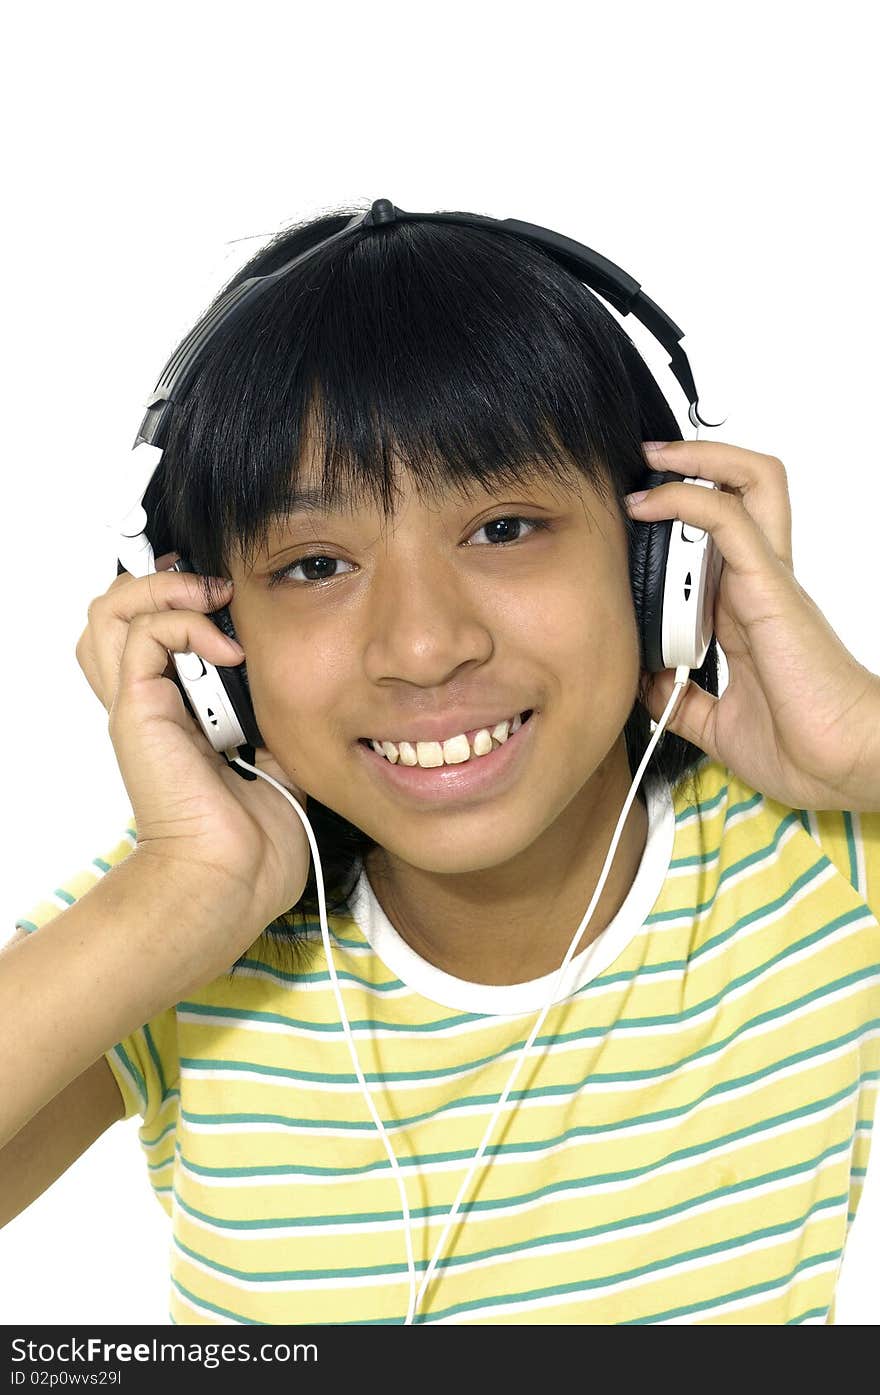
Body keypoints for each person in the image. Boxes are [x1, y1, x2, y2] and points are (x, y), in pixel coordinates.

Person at [2, 205, 879, 1326]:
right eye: (316, 563)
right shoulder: (182, 917)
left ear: (669, 565)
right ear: (209, 652)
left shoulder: (822, 850)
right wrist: (181, 893)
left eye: (505, 529)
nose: (423, 646)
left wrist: (858, 741)